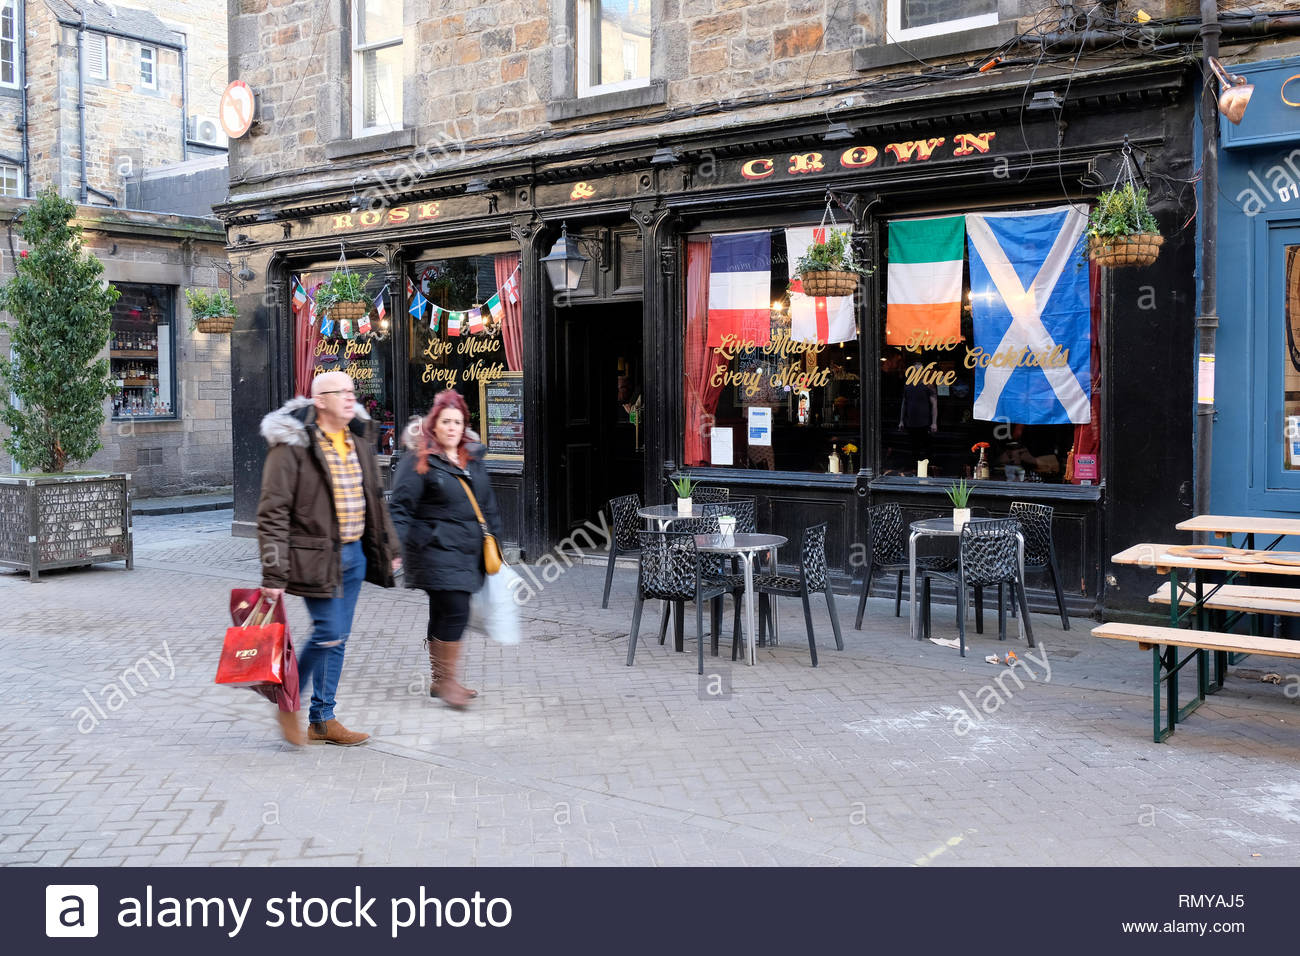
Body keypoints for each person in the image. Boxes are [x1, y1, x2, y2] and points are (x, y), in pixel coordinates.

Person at [256, 370, 401, 746]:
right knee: (328, 632)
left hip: (355, 555)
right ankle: (289, 703)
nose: (351, 398)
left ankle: (322, 718)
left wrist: (392, 549)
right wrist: (273, 574)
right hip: (315, 557)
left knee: (338, 637)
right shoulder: (292, 446)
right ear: (320, 401)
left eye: (353, 391)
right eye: (342, 392)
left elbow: (376, 501)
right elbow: (272, 513)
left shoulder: (359, 443)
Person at [389, 389, 503, 709]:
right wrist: (393, 548)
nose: (452, 427)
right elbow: (400, 507)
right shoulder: (420, 460)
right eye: (445, 421)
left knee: (442, 611)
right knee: (456, 609)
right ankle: (447, 680)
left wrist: (496, 543)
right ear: (433, 425)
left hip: (468, 550)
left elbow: (488, 504)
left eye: (458, 421)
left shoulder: (473, 459)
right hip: (433, 548)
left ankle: (440, 680)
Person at [899, 361, 938, 469]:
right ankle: (913, 470)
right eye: (915, 370)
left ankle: (928, 470)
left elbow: (934, 404)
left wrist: (934, 423)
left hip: (925, 423)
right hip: (910, 422)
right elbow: (904, 403)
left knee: (927, 449)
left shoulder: (928, 385)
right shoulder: (908, 385)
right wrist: (901, 420)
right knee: (913, 449)